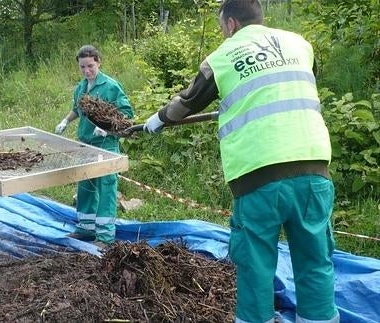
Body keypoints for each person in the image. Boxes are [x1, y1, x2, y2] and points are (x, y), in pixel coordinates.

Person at [143, 1, 339, 322]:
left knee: (255, 265)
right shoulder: (299, 44)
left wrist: (159, 119)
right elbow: (293, 83)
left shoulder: (223, 57)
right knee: (315, 258)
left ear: (231, 23)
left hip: (259, 176)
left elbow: (187, 102)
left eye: (222, 26)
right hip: (314, 171)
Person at [55, 45, 134, 249]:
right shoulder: (81, 88)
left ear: (98, 62)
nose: (86, 71)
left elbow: (126, 114)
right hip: (85, 144)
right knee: (85, 185)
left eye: (90, 66)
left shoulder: (111, 86)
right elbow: (76, 110)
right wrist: (65, 121)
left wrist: (107, 129)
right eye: (82, 67)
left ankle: (105, 237)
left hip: (105, 145)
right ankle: (86, 228)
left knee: (105, 187)